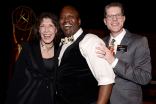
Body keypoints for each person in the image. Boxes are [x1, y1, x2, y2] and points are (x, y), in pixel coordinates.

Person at [54, 5, 115, 104]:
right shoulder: (61, 44)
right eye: (62, 17)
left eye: (70, 16)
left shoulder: (91, 40)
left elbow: (107, 80)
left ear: (79, 21)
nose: (66, 20)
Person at [96, 2, 152, 104]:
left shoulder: (139, 41)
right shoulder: (100, 43)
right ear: (105, 21)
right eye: (110, 16)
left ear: (124, 18)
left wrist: (114, 62)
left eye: (118, 15)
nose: (114, 19)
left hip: (127, 101)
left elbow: (145, 77)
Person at [5, 12, 63, 104]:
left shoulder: (61, 51)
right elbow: (16, 79)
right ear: (39, 30)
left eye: (50, 25)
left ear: (56, 29)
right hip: (26, 98)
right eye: (43, 26)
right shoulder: (28, 48)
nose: (46, 30)